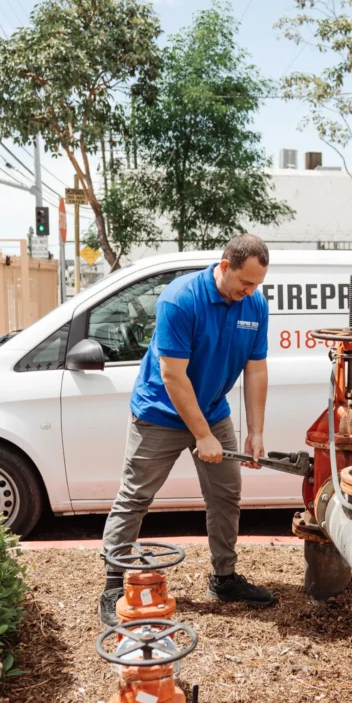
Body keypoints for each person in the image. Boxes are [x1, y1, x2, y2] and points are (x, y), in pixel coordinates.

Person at [98, 234, 275, 627]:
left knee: (226, 496)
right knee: (135, 495)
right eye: (246, 282)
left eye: (257, 285)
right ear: (225, 266)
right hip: (159, 412)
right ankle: (113, 585)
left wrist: (256, 431)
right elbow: (173, 377)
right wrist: (203, 436)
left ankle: (224, 578)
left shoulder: (254, 305)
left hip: (212, 410)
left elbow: (256, 368)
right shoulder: (180, 299)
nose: (250, 292)